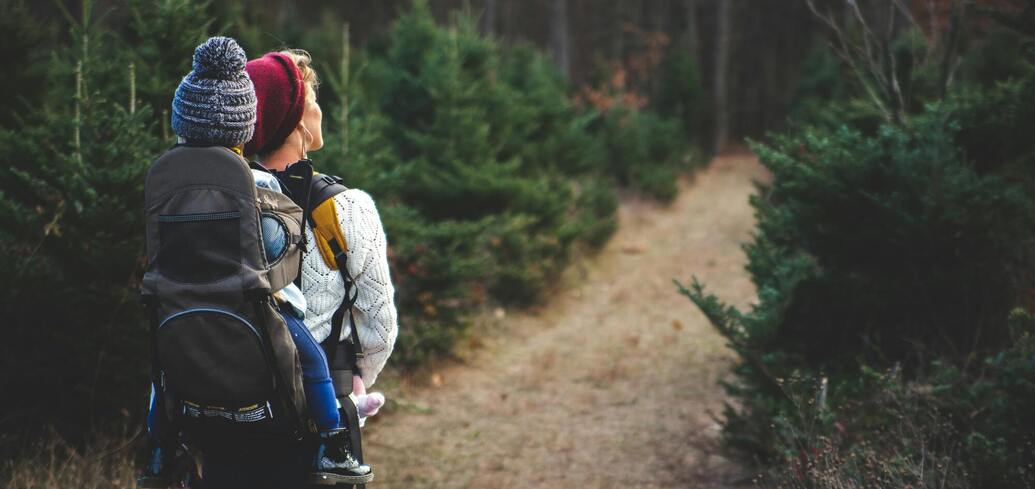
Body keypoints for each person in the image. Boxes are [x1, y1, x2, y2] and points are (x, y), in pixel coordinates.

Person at [243, 49, 398, 481]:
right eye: (312, 100)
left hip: (235, 408)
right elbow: (380, 326)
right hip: (319, 414)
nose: (320, 109)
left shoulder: (227, 202)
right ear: (295, 121)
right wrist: (353, 384)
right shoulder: (347, 209)